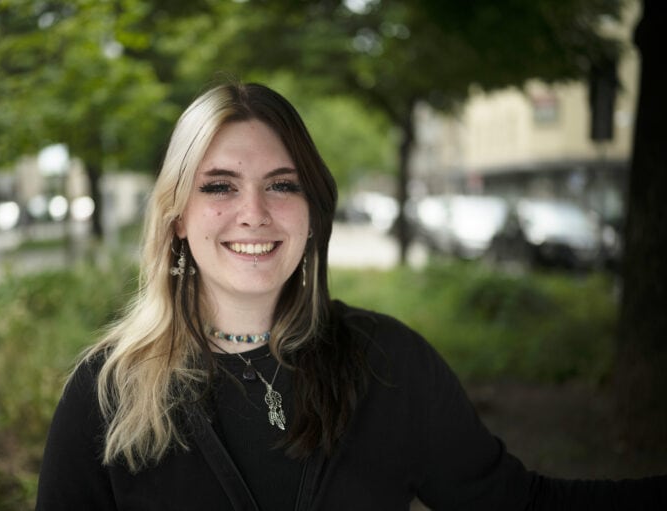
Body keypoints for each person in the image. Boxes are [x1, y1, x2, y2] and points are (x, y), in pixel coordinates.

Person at [35, 82, 665, 510]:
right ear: (176, 216)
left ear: (313, 214)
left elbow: (519, 503)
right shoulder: (105, 394)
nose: (253, 213)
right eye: (219, 186)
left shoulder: (388, 364)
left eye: (282, 185)